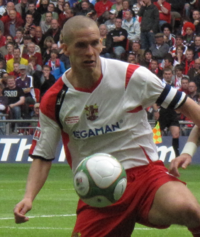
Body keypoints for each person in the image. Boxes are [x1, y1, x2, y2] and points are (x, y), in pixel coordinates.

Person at [14, 15, 200, 237]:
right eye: (81, 45)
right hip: (97, 192)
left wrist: (189, 149)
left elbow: (189, 108)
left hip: (147, 177)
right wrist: (28, 196)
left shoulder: (132, 76)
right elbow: (43, 156)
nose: (90, 51)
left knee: (189, 209)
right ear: (65, 48)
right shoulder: (54, 100)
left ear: (102, 43)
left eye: (94, 43)